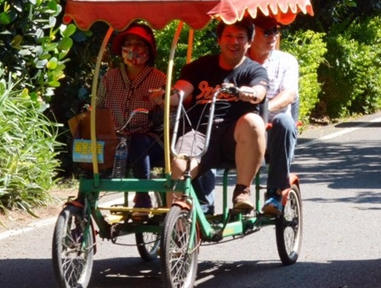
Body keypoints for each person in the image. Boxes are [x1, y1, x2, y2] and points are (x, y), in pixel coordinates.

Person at [161, 19, 268, 214]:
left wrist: (246, 92)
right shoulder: (200, 67)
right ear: (219, 40)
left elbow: (259, 92)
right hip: (200, 133)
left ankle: (242, 191)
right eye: (228, 36)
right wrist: (166, 96)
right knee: (177, 164)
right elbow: (181, 92)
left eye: (240, 37)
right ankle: (175, 221)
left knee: (253, 121)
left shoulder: (254, 70)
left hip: (234, 138)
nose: (234, 42)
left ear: (249, 42)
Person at [101, 23, 166, 209]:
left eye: (139, 45)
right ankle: (83, 200)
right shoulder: (109, 78)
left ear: (149, 50)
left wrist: (159, 105)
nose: (132, 50)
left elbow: (170, 112)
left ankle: (143, 194)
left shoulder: (160, 78)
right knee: (89, 145)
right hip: (115, 138)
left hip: (149, 140)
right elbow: (97, 106)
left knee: (138, 141)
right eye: (128, 44)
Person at [248, 15, 300, 217]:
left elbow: (289, 94)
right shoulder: (240, 59)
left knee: (284, 122)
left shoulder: (286, 60)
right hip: (241, 128)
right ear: (252, 33)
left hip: (272, 129)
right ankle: (201, 205)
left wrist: (263, 112)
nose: (273, 36)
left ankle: (275, 193)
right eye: (267, 31)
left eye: (276, 30)